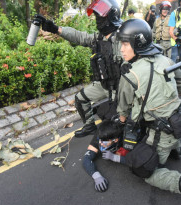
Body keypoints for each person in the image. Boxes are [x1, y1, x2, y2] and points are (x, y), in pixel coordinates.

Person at [116, 19, 181, 205]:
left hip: (162, 132)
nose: (121, 49)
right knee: (161, 123)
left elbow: (123, 109)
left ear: (138, 44)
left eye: (125, 44)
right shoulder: (165, 60)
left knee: (145, 171)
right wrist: (172, 96)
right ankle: (177, 149)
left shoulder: (130, 74)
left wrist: (121, 124)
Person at [38, 0, 123, 138]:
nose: (98, 20)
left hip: (121, 89)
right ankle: (89, 125)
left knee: (113, 126)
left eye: (101, 17)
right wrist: (56, 29)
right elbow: (80, 37)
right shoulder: (99, 38)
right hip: (105, 84)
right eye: (97, 17)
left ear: (111, 17)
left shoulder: (123, 40)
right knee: (80, 99)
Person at [82, 119, 128, 192]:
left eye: (104, 142)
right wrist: (96, 176)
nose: (100, 143)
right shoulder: (100, 134)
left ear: (115, 140)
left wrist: (115, 157)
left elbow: (135, 160)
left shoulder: (126, 139)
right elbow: (86, 158)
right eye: (100, 140)